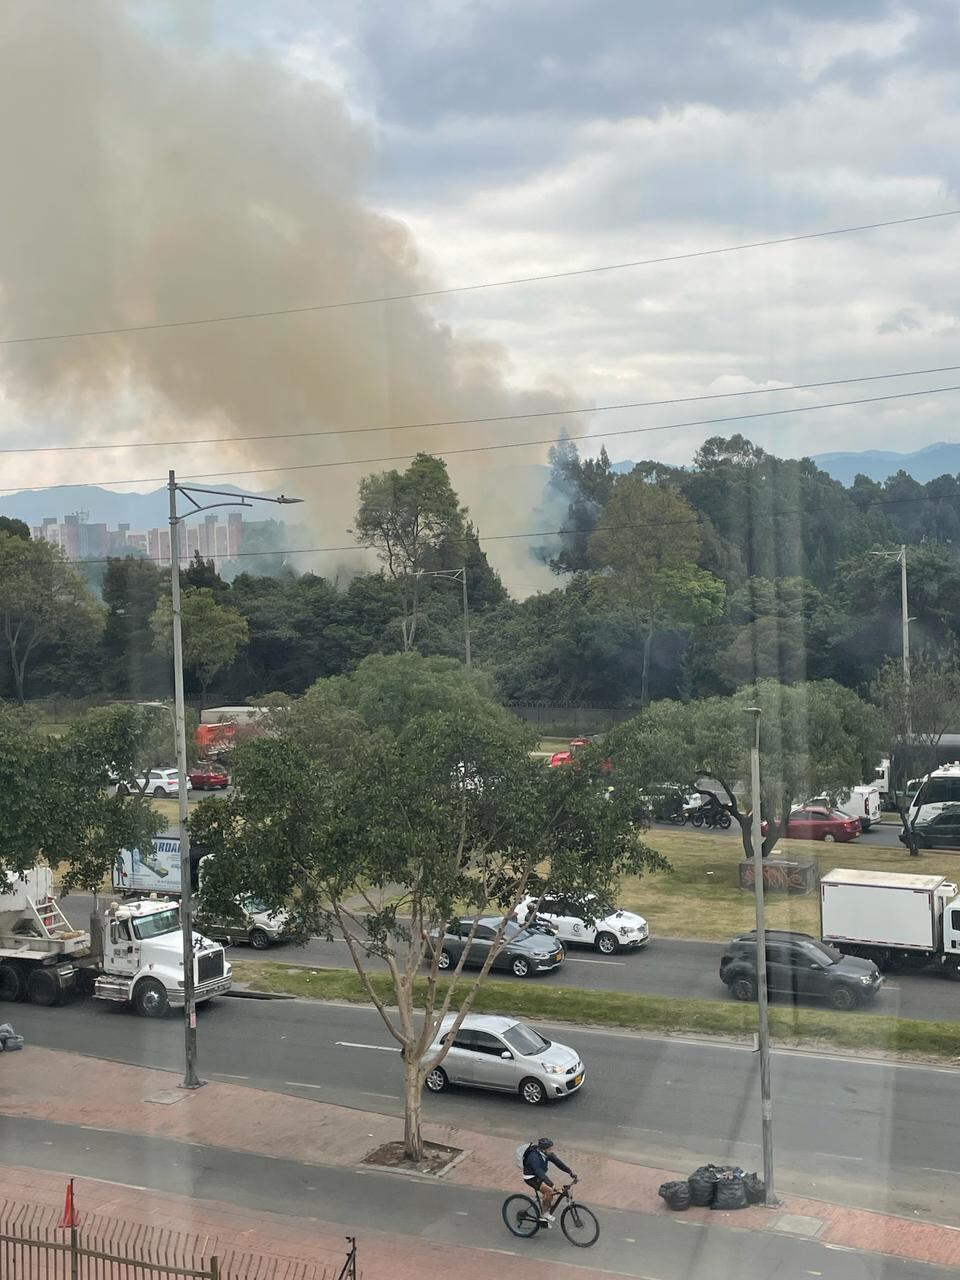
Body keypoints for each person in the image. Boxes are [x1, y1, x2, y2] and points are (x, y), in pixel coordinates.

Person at [521, 1137, 576, 1225]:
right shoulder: (534, 1157)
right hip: (531, 1177)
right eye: (550, 1149)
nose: (551, 1150)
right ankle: (544, 1214)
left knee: (550, 1194)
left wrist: (570, 1172)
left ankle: (546, 1202)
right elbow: (540, 1173)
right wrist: (552, 1185)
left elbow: (558, 1163)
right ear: (543, 1150)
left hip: (538, 1175)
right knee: (548, 1191)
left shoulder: (547, 1154)